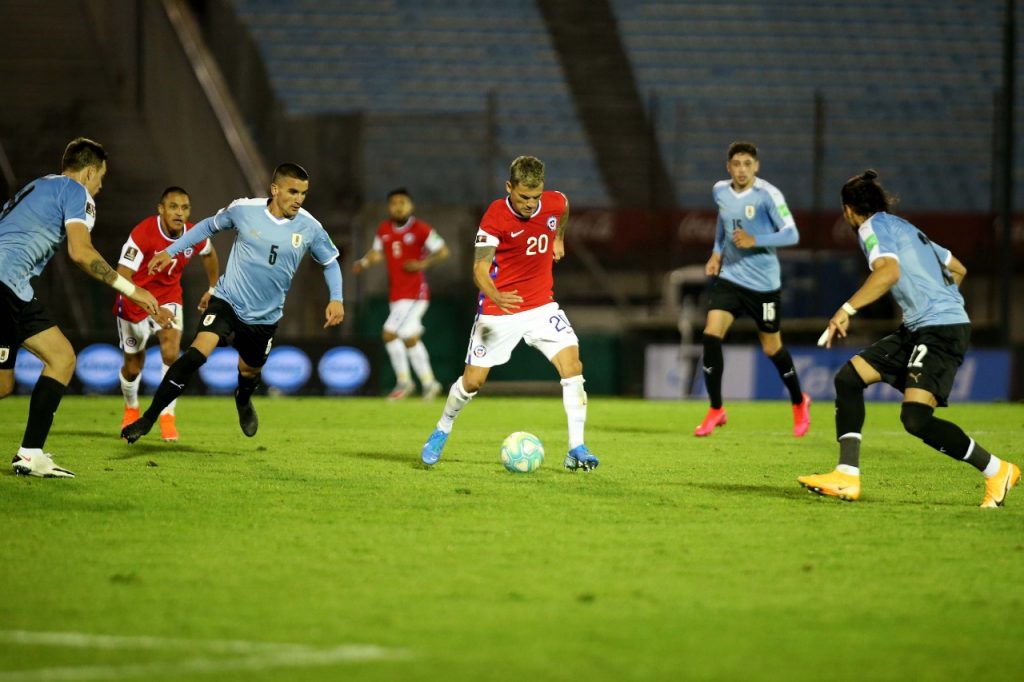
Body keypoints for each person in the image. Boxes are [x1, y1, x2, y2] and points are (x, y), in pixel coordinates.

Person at [799, 170, 1020, 507]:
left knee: (916, 420)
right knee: (849, 378)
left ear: (847, 211)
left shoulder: (872, 228)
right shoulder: (907, 228)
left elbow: (888, 272)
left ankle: (996, 470)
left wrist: (846, 309)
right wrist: (936, 302)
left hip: (939, 330)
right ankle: (846, 475)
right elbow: (957, 268)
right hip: (924, 326)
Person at [121, 163, 344, 444]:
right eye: (293, 191)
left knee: (249, 370)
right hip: (228, 301)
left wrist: (336, 298)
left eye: (303, 193)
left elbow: (329, 262)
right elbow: (207, 227)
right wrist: (171, 250)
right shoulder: (243, 210)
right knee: (194, 355)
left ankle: (243, 398)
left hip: (265, 317)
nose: (299, 199)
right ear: (275, 190)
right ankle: (149, 418)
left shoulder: (310, 227)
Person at [419, 156, 599, 471]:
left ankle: (576, 448)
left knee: (573, 366)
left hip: (542, 306)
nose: (531, 204)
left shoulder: (554, 203)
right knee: (472, 382)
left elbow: (564, 206)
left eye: (535, 197)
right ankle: (442, 428)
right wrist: (495, 295)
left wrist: (558, 237)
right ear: (509, 187)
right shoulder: (495, 217)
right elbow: (479, 269)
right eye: (523, 197)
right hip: (499, 309)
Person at [0, 138, 161, 478]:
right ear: (90, 171)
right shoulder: (77, 193)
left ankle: (30, 455)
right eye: (101, 177)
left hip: (15, 287)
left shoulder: (40, 185)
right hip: (2, 283)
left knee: (61, 357)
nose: (100, 186)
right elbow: (81, 252)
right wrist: (132, 290)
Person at [695, 141, 811, 437]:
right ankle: (716, 409)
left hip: (763, 285)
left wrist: (755, 239)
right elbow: (723, 225)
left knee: (772, 347)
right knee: (710, 335)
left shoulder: (767, 195)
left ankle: (799, 401)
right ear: (729, 167)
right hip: (732, 277)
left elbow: (792, 233)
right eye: (737, 164)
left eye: (748, 164)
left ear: (756, 166)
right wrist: (716, 253)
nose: (742, 169)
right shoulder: (720, 190)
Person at [114, 186, 220, 441]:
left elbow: (209, 253)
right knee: (133, 367)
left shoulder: (194, 234)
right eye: (173, 207)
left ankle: (167, 415)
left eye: (184, 208)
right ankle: (131, 408)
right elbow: (121, 277)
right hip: (133, 300)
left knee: (171, 353)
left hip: (170, 298)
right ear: (160, 209)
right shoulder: (143, 233)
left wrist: (213, 287)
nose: (179, 213)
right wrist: (150, 307)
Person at [352, 187, 449, 400]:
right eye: (394, 203)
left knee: (389, 333)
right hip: (396, 295)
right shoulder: (384, 229)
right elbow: (377, 253)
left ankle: (404, 382)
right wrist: (363, 262)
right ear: (389, 206)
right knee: (409, 338)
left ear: (411, 206)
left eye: (402, 202)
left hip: (415, 294)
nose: (398, 207)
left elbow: (443, 251)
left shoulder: (420, 229)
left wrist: (423, 264)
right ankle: (430, 383)